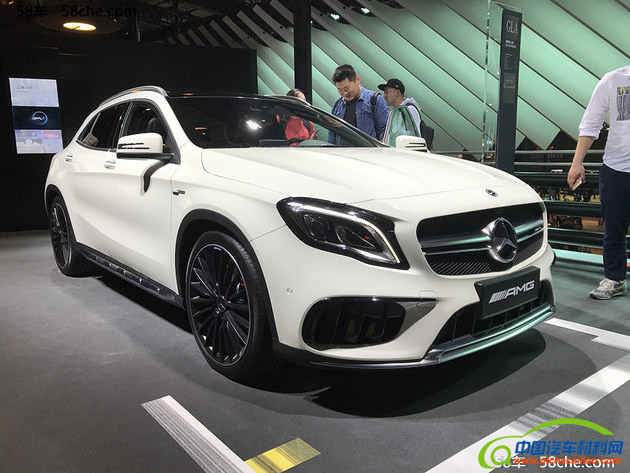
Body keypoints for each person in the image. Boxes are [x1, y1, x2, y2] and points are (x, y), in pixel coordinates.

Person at [567, 64, 630, 300]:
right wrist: (577, 162)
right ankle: (614, 279)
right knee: (613, 230)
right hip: (616, 168)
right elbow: (591, 122)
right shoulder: (613, 80)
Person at [328, 64, 388, 144]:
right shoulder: (337, 105)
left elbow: (384, 133)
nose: (344, 93)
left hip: (367, 151)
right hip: (342, 151)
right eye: (340, 90)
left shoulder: (375, 100)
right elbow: (332, 135)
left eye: (346, 88)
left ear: (357, 80)